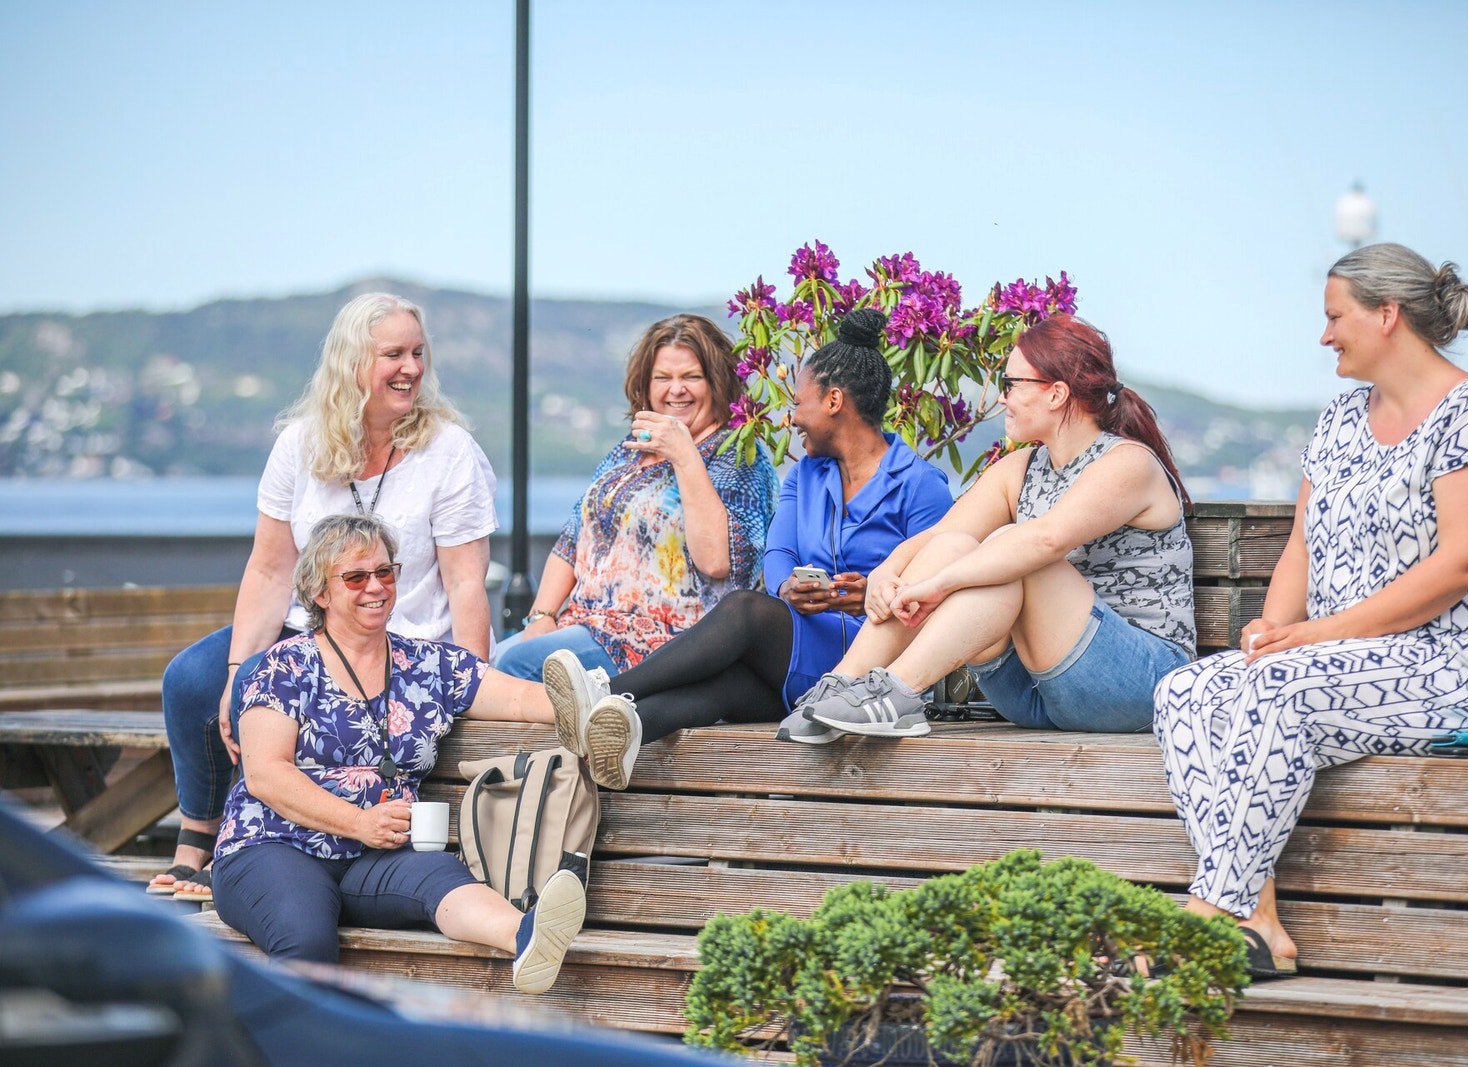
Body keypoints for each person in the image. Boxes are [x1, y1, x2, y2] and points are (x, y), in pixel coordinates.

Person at [1152, 244, 1468, 980]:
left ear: (1387, 315)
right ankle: (1258, 921)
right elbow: (1301, 543)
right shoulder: (1338, 419)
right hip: (1343, 660)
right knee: (1185, 691)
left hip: (1459, 671)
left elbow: (1464, 562)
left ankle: (1206, 916)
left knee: (1277, 687)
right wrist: (1273, 628)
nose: (1324, 335)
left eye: (1335, 317)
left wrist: (1310, 639)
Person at [150, 293, 497, 901]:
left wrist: (472, 681)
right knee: (190, 679)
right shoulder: (300, 444)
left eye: (418, 353)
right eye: (394, 354)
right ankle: (198, 835)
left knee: (260, 685)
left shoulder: (448, 451)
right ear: (352, 362)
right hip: (313, 630)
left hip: (403, 642)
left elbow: (466, 582)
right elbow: (269, 570)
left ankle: (246, 845)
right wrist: (233, 673)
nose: (412, 368)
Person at [539, 309, 954, 788]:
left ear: (834, 401)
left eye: (799, 404)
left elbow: (937, 592)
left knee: (743, 610)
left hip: (867, 662)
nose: (792, 418)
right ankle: (625, 732)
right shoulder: (805, 475)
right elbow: (778, 555)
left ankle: (605, 692)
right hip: (803, 657)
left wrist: (870, 595)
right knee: (725, 688)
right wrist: (787, 587)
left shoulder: (920, 485)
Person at [211, 515, 586, 996]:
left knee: (440, 876)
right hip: (275, 846)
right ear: (320, 592)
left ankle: (528, 937)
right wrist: (357, 822)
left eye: (385, 572)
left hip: (376, 853)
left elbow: (518, 699)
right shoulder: (282, 666)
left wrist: (595, 705)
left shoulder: (429, 664)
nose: (376, 587)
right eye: (356, 577)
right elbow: (265, 774)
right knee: (306, 938)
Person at [797, 313, 1195, 739]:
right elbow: (937, 536)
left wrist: (940, 585)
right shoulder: (1020, 468)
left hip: (1137, 684)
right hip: (1035, 687)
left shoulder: (1129, 463)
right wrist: (888, 569)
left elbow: (1045, 540)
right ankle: (842, 684)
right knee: (953, 544)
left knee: (1012, 549)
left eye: (1011, 385)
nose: (1003, 399)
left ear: (1057, 393)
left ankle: (898, 692)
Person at [492, 313, 779, 706]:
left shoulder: (738, 456)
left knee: (514, 666)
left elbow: (718, 563)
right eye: (663, 377)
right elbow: (572, 539)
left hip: (665, 641)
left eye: (691, 377)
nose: (676, 389)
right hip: (584, 623)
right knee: (483, 668)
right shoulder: (629, 451)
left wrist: (684, 455)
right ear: (645, 385)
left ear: (717, 383)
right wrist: (541, 616)